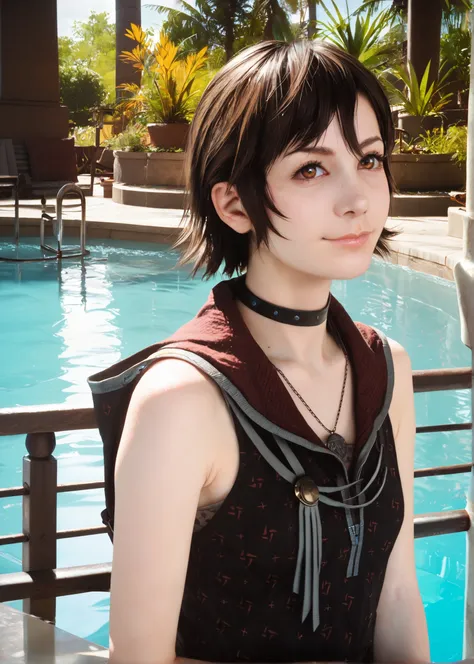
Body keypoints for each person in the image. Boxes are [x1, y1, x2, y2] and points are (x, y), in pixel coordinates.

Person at [88, 39, 431, 664]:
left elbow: (397, 593)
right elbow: (139, 655)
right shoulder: (183, 398)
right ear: (234, 203)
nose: (359, 199)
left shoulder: (386, 368)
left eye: (372, 160)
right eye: (311, 168)